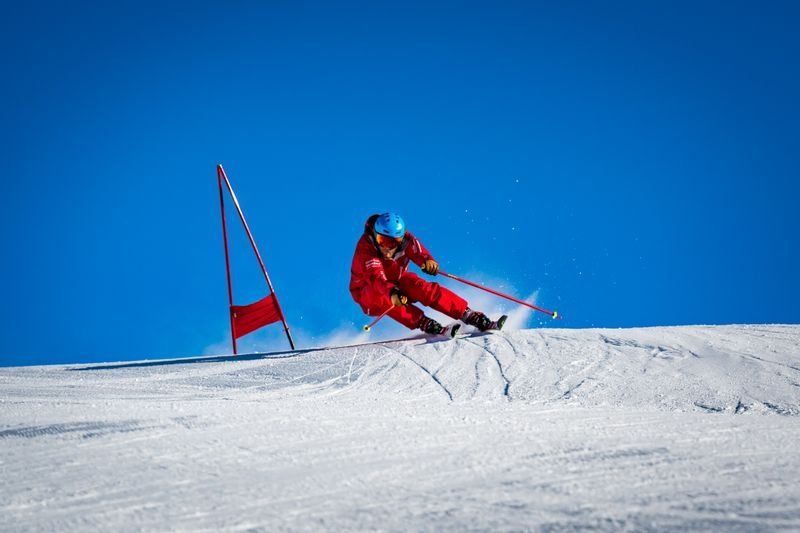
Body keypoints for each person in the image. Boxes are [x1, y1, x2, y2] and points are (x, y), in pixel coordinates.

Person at [349, 212, 504, 335]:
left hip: (397, 280)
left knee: (422, 287)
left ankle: (469, 315)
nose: (388, 247)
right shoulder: (366, 249)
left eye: (393, 242)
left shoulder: (407, 240)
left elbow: (419, 253)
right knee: (386, 297)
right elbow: (376, 279)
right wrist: (391, 292)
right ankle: (423, 322)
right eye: (383, 240)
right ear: (375, 235)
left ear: (400, 239)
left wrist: (428, 261)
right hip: (367, 292)